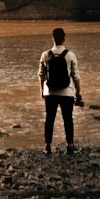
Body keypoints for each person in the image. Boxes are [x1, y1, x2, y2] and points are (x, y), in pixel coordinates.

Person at [39, 25, 82, 155]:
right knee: (68, 119)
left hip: (50, 92)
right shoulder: (70, 55)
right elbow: (76, 76)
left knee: (49, 119)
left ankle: (48, 146)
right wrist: (78, 93)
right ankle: (70, 146)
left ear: (52, 38)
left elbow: (41, 75)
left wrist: (42, 91)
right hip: (67, 92)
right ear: (64, 39)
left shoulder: (45, 55)